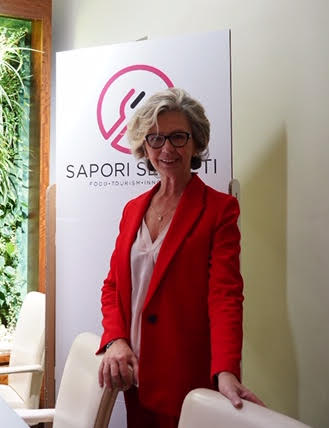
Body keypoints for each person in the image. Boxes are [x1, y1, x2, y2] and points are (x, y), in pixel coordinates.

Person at [97, 87, 263, 427]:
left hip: (185, 379)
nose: (167, 149)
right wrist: (115, 340)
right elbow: (113, 286)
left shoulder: (219, 210)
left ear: (196, 142)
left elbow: (225, 296)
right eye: (156, 139)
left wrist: (226, 370)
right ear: (144, 146)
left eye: (178, 137)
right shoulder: (132, 210)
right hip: (133, 376)